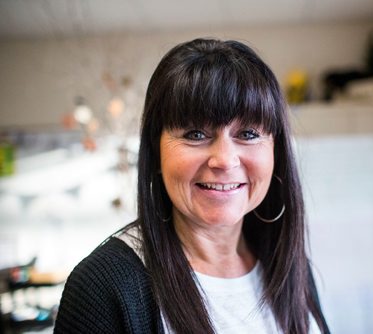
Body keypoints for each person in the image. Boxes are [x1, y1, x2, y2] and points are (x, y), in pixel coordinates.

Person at [54, 38, 330, 334]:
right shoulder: (104, 286)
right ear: (156, 151)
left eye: (248, 134)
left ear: (275, 151)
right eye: (196, 134)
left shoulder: (289, 266)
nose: (224, 160)